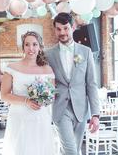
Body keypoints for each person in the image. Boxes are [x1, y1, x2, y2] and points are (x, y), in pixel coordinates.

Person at [45, 12, 100, 155]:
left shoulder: (85, 52)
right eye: (58, 29)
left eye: (65, 28)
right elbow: (44, 81)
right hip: (60, 109)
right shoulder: (48, 54)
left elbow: (91, 84)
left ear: (73, 27)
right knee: (71, 151)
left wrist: (96, 114)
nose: (62, 32)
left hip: (81, 110)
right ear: (54, 29)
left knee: (74, 149)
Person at [1, 31, 55, 155]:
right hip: (19, 118)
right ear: (23, 47)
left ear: (40, 47)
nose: (31, 48)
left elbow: (52, 95)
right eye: (27, 44)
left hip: (41, 118)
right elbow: (4, 95)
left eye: (35, 44)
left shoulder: (47, 69)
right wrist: (26, 101)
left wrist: (44, 99)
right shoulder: (12, 68)